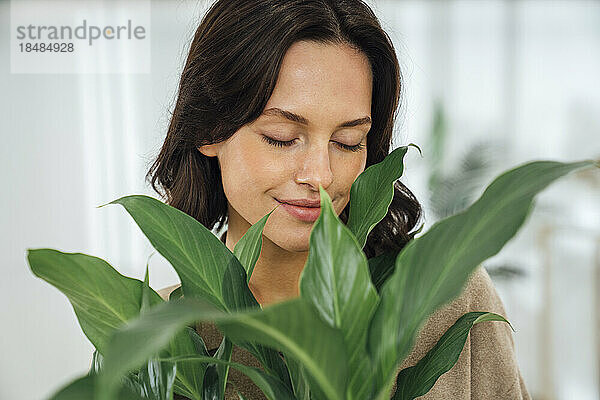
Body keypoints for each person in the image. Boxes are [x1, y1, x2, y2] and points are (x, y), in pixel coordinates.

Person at [150, 0, 531, 398]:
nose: (321, 176)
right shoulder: (157, 334)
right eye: (281, 137)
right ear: (208, 130)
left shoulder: (448, 293)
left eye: (347, 143)